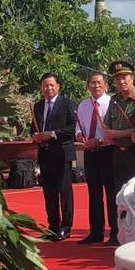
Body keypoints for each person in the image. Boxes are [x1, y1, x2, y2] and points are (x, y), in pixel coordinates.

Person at [32, 73, 79, 241]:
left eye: (51, 85)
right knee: (49, 193)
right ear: (41, 88)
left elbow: (73, 127)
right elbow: (34, 128)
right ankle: (52, 226)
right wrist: (35, 136)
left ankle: (65, 228)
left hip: (62, 154)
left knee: (64, 192)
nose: (48, 88)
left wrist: (52, 134)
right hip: (44, 155)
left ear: (58, 86)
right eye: (45, 85)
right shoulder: (38, 106)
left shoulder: (67, 104)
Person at [77, 71, 117, 246]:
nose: (96, 86)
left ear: (106, 85)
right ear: (88, 86)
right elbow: (79, 128)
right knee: (93, 194)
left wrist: (99, 140)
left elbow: (113, 130)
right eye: (92, 83)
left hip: (107, 151)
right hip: (90, 153)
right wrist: (80, 137)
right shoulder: (83, 105)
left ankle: (115, 232)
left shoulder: (112, 103)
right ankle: (95, 232)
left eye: (99, 82)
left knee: (111, 193)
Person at [102, 60, 135, 199]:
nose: (121, 81)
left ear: (132, 78)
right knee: (119, 193)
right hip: (118, 153)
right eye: (117, 78)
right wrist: (108, 133)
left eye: (124, 77)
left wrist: (117, 134)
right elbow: (107, 123)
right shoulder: (114, 100)